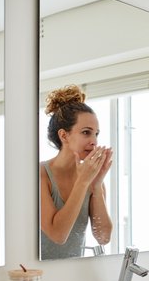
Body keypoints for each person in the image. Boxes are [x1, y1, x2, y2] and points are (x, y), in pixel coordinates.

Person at [40, 84, 113, 259]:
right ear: (64, 135)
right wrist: (82, 182)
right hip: (37, 278)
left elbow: (103, 237)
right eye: (86, 133)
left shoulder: (93, 180)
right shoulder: (40, 175)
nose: (94, 141)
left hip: (72, 275)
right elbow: (58, 235)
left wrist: (96, 185)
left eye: (96, 134)